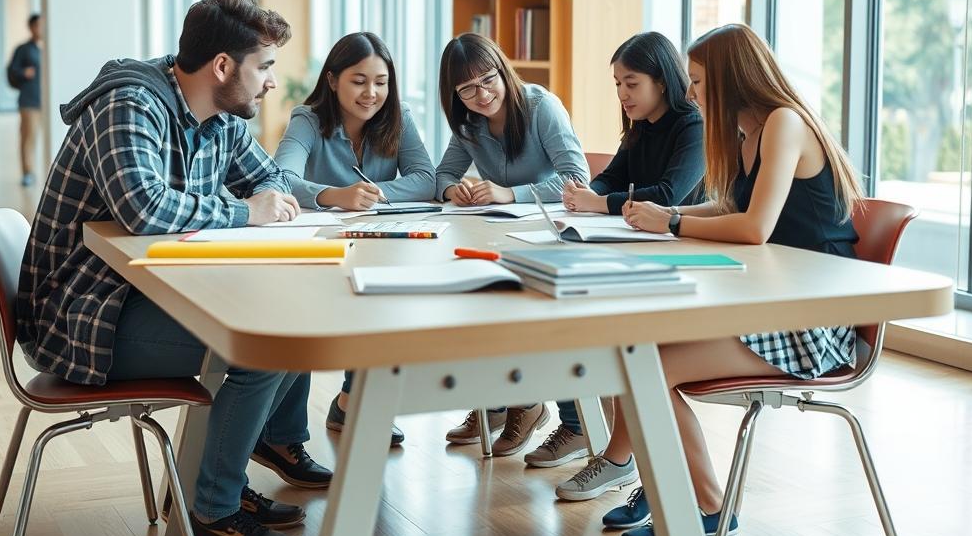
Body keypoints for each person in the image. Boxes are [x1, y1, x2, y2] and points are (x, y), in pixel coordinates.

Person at [17, 0, 331, 536]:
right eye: (264, 68)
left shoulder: (222, 117)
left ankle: (221, 484)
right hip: (85, 317)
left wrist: (266, 199)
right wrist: (243, 210)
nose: (269, 85)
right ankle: (212, 512)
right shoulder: (131, 105)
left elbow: (271, 184)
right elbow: (143, 208)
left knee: (291, 324)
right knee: (264, 347)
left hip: (140, 295)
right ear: (222, 67)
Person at [585, 23, 864, 536]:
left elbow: (755, 229)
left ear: (733, 80)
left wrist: (670, 224)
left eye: (696, 81)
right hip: (774, 301)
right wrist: (668, 213)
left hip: (815, 322)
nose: (689, 93)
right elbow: (732, 208)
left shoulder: (784, 122)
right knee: (635, 352)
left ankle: (712, 509)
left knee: (651, 367)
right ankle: (670, 486)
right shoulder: (748, 131)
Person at [541, 31, 707, 486]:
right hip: (641, 249)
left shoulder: (691, 123)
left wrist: (602, 204)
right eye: (617, 84)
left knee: (625, 339)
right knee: (575, 310)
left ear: (662, 80)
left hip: (689, 258)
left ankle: (619, 458)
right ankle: (601, 444)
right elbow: (613, 176)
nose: (622, 95)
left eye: (631, 84)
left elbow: (672, 195)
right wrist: (585, 193)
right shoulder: (641, 127)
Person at [271, 31, 435, 446]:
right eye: (359, 81)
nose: (372, 92)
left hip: (380, 242)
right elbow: (282, 177)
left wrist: (374, 196)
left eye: (381, 82)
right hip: (319, 248)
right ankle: (313, 421)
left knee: (387, 304)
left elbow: (425, 179)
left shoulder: (401, 118)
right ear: (332, 80)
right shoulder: (307, 120)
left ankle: (354, 401)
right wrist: (332, 195)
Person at [434, 32, 590, 455]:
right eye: (467, 89)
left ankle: (561, 417)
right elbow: (443, 174)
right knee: (474, 296)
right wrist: (453, 191)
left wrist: (510, 192)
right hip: (498, 236)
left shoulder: (541, 107)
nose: (481, 95)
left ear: (503, 70)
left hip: (552, 239)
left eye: (488, 80)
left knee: (536, 313)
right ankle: (500, 401)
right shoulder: (468, 123)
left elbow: (577, 180)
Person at [6, 13, 42, 187]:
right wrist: (23, 73)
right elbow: (11, 70)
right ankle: (28, 172)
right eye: (38, 25)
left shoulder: (48, 47)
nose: (41, 28)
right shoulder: (24, 49)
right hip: (29, 101)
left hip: (47, 102)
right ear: (31, 27)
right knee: (28, 137)